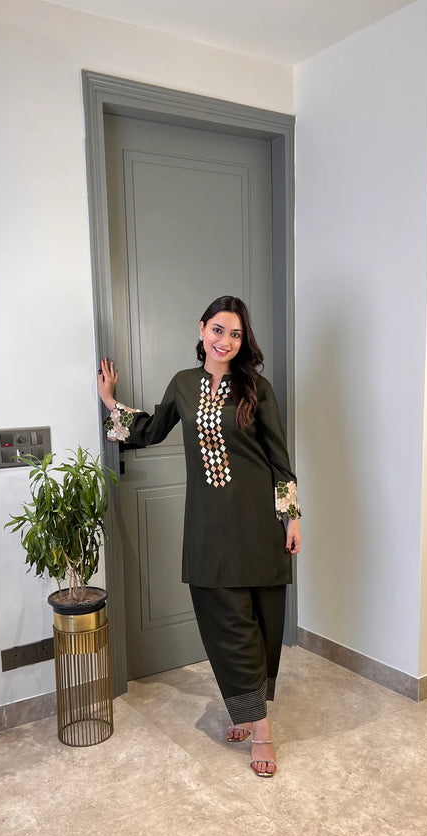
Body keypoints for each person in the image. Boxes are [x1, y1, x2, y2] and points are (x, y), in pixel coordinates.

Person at [98, 295, 301, 777]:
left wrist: (291, 517)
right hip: (209, 528)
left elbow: (279, 458)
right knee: (225, 625)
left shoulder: (257, 389)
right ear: (202, 328)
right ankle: (255, 720)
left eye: (235, 334)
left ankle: (253, 719)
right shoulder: (184, 385)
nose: (225, 341)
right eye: (218, 330)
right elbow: (150, 430)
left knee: (258, 620)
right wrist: (109, 402)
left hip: (256, 523)